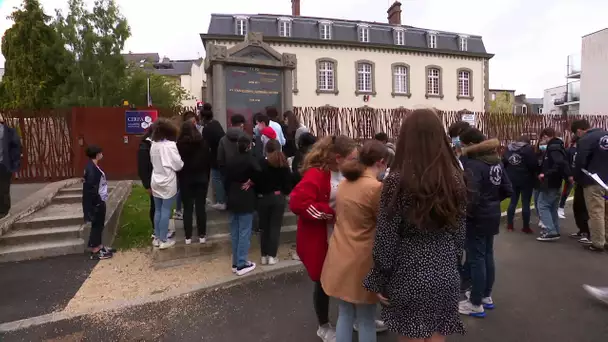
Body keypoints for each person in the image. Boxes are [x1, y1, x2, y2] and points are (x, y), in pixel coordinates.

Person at [363, 108, 467, 342]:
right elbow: (460, 234)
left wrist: (380, 278)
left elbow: (386, 238)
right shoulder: (455, 178)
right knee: (437, 335)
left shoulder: (397, 181)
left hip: (408, 271)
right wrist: (452, 264)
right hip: (444, 269)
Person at [289, 135, 358, 342]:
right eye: (353, 158)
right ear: (338, 158)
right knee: (322, 283)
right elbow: (298, 202)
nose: (357, 162)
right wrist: (329, 213)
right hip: (321, 239)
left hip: (342, 237)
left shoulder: (347, 172)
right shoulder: (316, 175)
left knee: (349, 277)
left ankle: (357, 317)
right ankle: (323, 325)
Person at [321, 140, 389, 342]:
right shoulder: (376, 188)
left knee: (345, 313)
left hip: (339, 253)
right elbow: (385, 226)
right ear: (381, 162)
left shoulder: (344, 183)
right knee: (366, 318)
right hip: (363, 259)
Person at [458, 127, 513, 318]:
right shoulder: (495, 161)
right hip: (492, 214)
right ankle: (486, 296)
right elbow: (507, 189)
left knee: (476, 259)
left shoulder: (473, 164)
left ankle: (474, 302)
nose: (461, 147)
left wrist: (467, 212)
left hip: (476, 217)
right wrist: (491, 202)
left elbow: (471, 196)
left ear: (472, 145)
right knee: (487, 254)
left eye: (463, 144)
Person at [224, 135, 260, 276]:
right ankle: (241, 263)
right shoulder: (250, 158)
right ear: (249, 146)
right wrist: (251, 182)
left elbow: (225, 178)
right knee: (245, 231)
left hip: (232, 194)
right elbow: (258, 172)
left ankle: (235, 262)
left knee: (235, 232)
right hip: (245, 196)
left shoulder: (231, 159)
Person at [571, 119, 608, 252]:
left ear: (579, 131)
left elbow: (580, 161)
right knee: (606, 212)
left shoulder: (586, 139)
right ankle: (606, 239)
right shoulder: (605, 134)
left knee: (596, 211)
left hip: (594, 181)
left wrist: (576, 177)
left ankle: (598, 242)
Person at [254, 140, 291, 265]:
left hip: (263, 198)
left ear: (266, 149)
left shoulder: (261, 163)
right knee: (275, 227)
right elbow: (288, 186)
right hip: (278, 198)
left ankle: (263, 255)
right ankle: (272, 256)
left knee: (264, 228)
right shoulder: (283, 164)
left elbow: (256, 182)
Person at [150, 118, 184, 249]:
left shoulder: (154, 144)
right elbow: (178, 165)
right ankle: (164, 240)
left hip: (155, 179)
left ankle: (157, 238)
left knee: (158, 210)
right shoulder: (170, 145)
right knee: (166, 210)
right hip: (168, 181)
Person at [177, 121, 211, 245]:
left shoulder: (179, 145)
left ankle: (188, 237)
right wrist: (207, 177)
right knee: (201, 207)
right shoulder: (203, 143)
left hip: (185, 178)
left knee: (187, 208)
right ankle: (202, 235)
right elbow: (208, 162)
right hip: (201, 177)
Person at [536, 127, 571, 242]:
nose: (542, 141)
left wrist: (545, 174)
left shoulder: (553, 148)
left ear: (545, 136)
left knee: (542, 205)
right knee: (552, 208)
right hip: (556, 182)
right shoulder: (559, 146)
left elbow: (559, 164)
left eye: (542, 137)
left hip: (550, 182)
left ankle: (550, 231)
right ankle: (554, 230)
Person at [83, 145, 114, 260]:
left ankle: (99, 245)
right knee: (97, 225)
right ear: (97, 154)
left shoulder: (93, 166)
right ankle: (96, 249)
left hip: (99, 199)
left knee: (99, 224)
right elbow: (91, 188)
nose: (102, 154)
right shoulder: (91, 169)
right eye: (101, 153)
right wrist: (97, 201)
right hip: (97, 201)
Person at [502, 135, 538, 233]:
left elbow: (504, 163)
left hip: (512, 179)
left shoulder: (508, 149)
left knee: (513, 202)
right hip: (526, 179)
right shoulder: (528, 149)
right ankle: (525, 227)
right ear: (527, 142)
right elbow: (533, 165)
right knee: (525, 203)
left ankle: (510, 225)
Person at [200, 104, 227, 211]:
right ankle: (224, 200)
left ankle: (221, 201)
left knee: (216, 179)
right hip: (223, 155)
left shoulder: (206, 129)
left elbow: (205, 145)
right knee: (222, 179)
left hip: (215, 157)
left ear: (203, 118)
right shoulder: (216, 123)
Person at [217, 114, 248, 204]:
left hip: (228, 170)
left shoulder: (223, 139)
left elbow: (220, 157)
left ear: (231, 124)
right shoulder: (247, 137)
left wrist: (223, 170)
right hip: (244, 170)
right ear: (242, 124)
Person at [0, 114, 22, 218]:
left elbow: (16, 148)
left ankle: (4, 211)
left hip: (4, 164)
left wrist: (14, 163)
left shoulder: (9, 132)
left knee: (4, 188)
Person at [137, 124, 156, 238]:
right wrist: (147, 185)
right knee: (154, 206)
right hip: (151, 181)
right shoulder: (144, 147)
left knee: (158, 206)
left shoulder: (151, 145)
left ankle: (159, 227)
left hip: (156, 180)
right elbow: (142, 169)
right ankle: (155, 229)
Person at [558, 138, 577, 219]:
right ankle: (560, 208)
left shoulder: (582, 150)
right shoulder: (568, 150)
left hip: (578, 175)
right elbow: (566, 163)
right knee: (566, 192)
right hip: (570, 176)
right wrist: (569, 175)